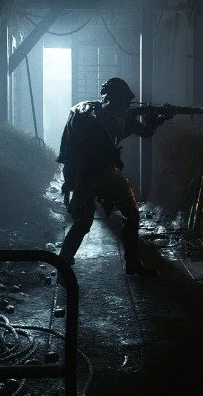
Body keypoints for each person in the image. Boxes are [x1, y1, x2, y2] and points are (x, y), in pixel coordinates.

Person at [55, 77, 171, 276]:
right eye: (120, 101)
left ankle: (132, 263)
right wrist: (71, 179)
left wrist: (156, 121)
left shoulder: (120, 117)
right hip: (85, 174)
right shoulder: (85, 111)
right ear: (108, 98)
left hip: (108, 173)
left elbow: (144, 131)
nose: (124, 106)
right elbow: (73, 144)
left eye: (125, 103)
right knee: (83, 223)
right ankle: (62, 267)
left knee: (132, 214)